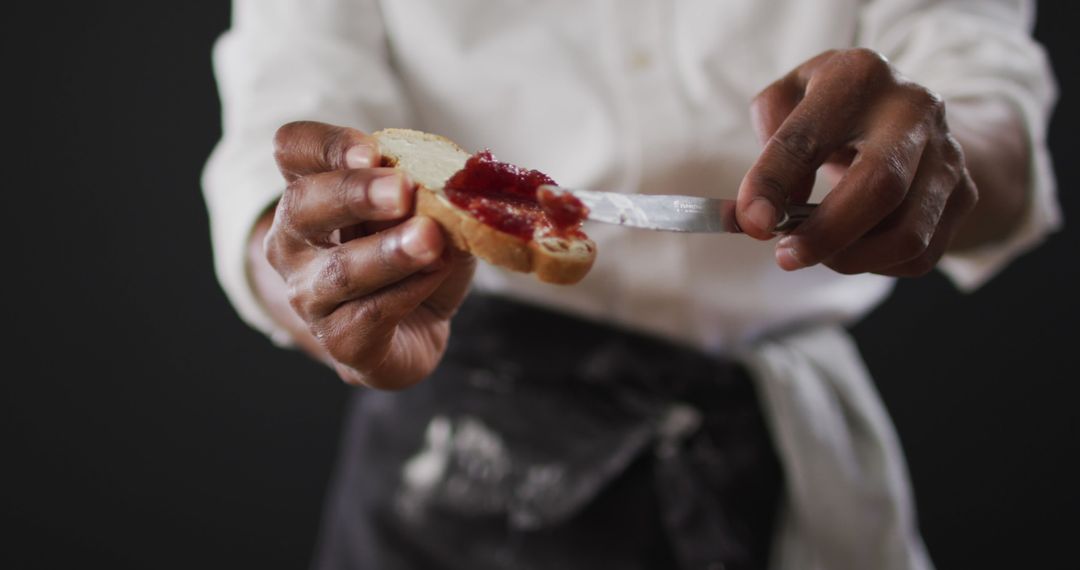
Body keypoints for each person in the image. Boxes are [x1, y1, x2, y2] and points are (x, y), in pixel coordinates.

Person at [202, 1, 1059, 568]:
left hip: (782, 442)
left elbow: (994, 108)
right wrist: (326, 280)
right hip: (455, 445)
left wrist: (934, 156)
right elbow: (277, 141)